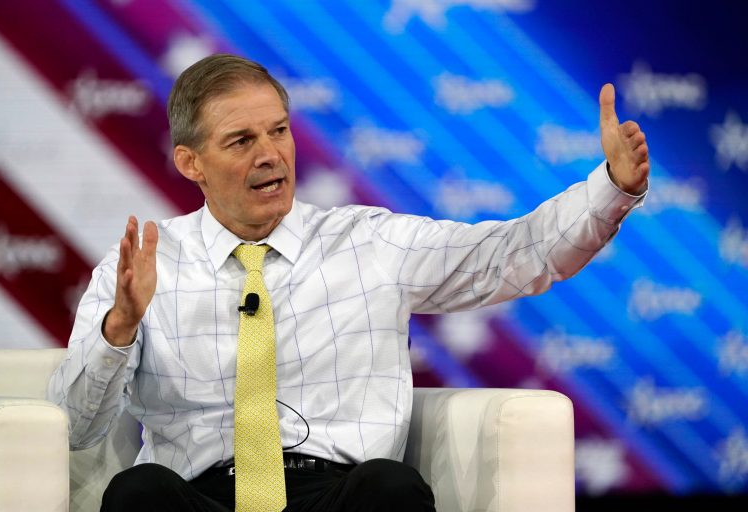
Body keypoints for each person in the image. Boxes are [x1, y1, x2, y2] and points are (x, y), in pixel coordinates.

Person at [48, 53, 649, 512]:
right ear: (190, 162)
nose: (270, 155)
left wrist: (610, 190)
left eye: (278, 131)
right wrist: (119, 328)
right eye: (241, 140)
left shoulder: (368, 241)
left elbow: (511, 255)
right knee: (138, 494)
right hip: (201, 496)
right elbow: (74, 426)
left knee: (390, 488)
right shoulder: (144, 266)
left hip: (336, 494)